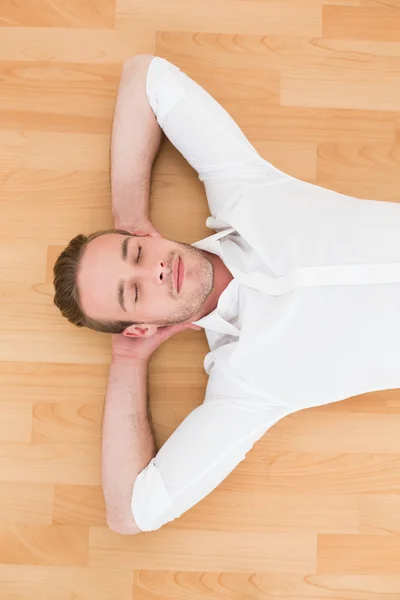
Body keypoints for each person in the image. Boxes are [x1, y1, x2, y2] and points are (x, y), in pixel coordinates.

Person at [53, 55, 400, 535]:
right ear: (140, 326)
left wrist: (128, 215)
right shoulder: (245, 389)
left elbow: (144, 77)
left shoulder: (244, 191)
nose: (153, 270)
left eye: (135, 252)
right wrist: (129, 358)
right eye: (132, 294)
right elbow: (132, 513)